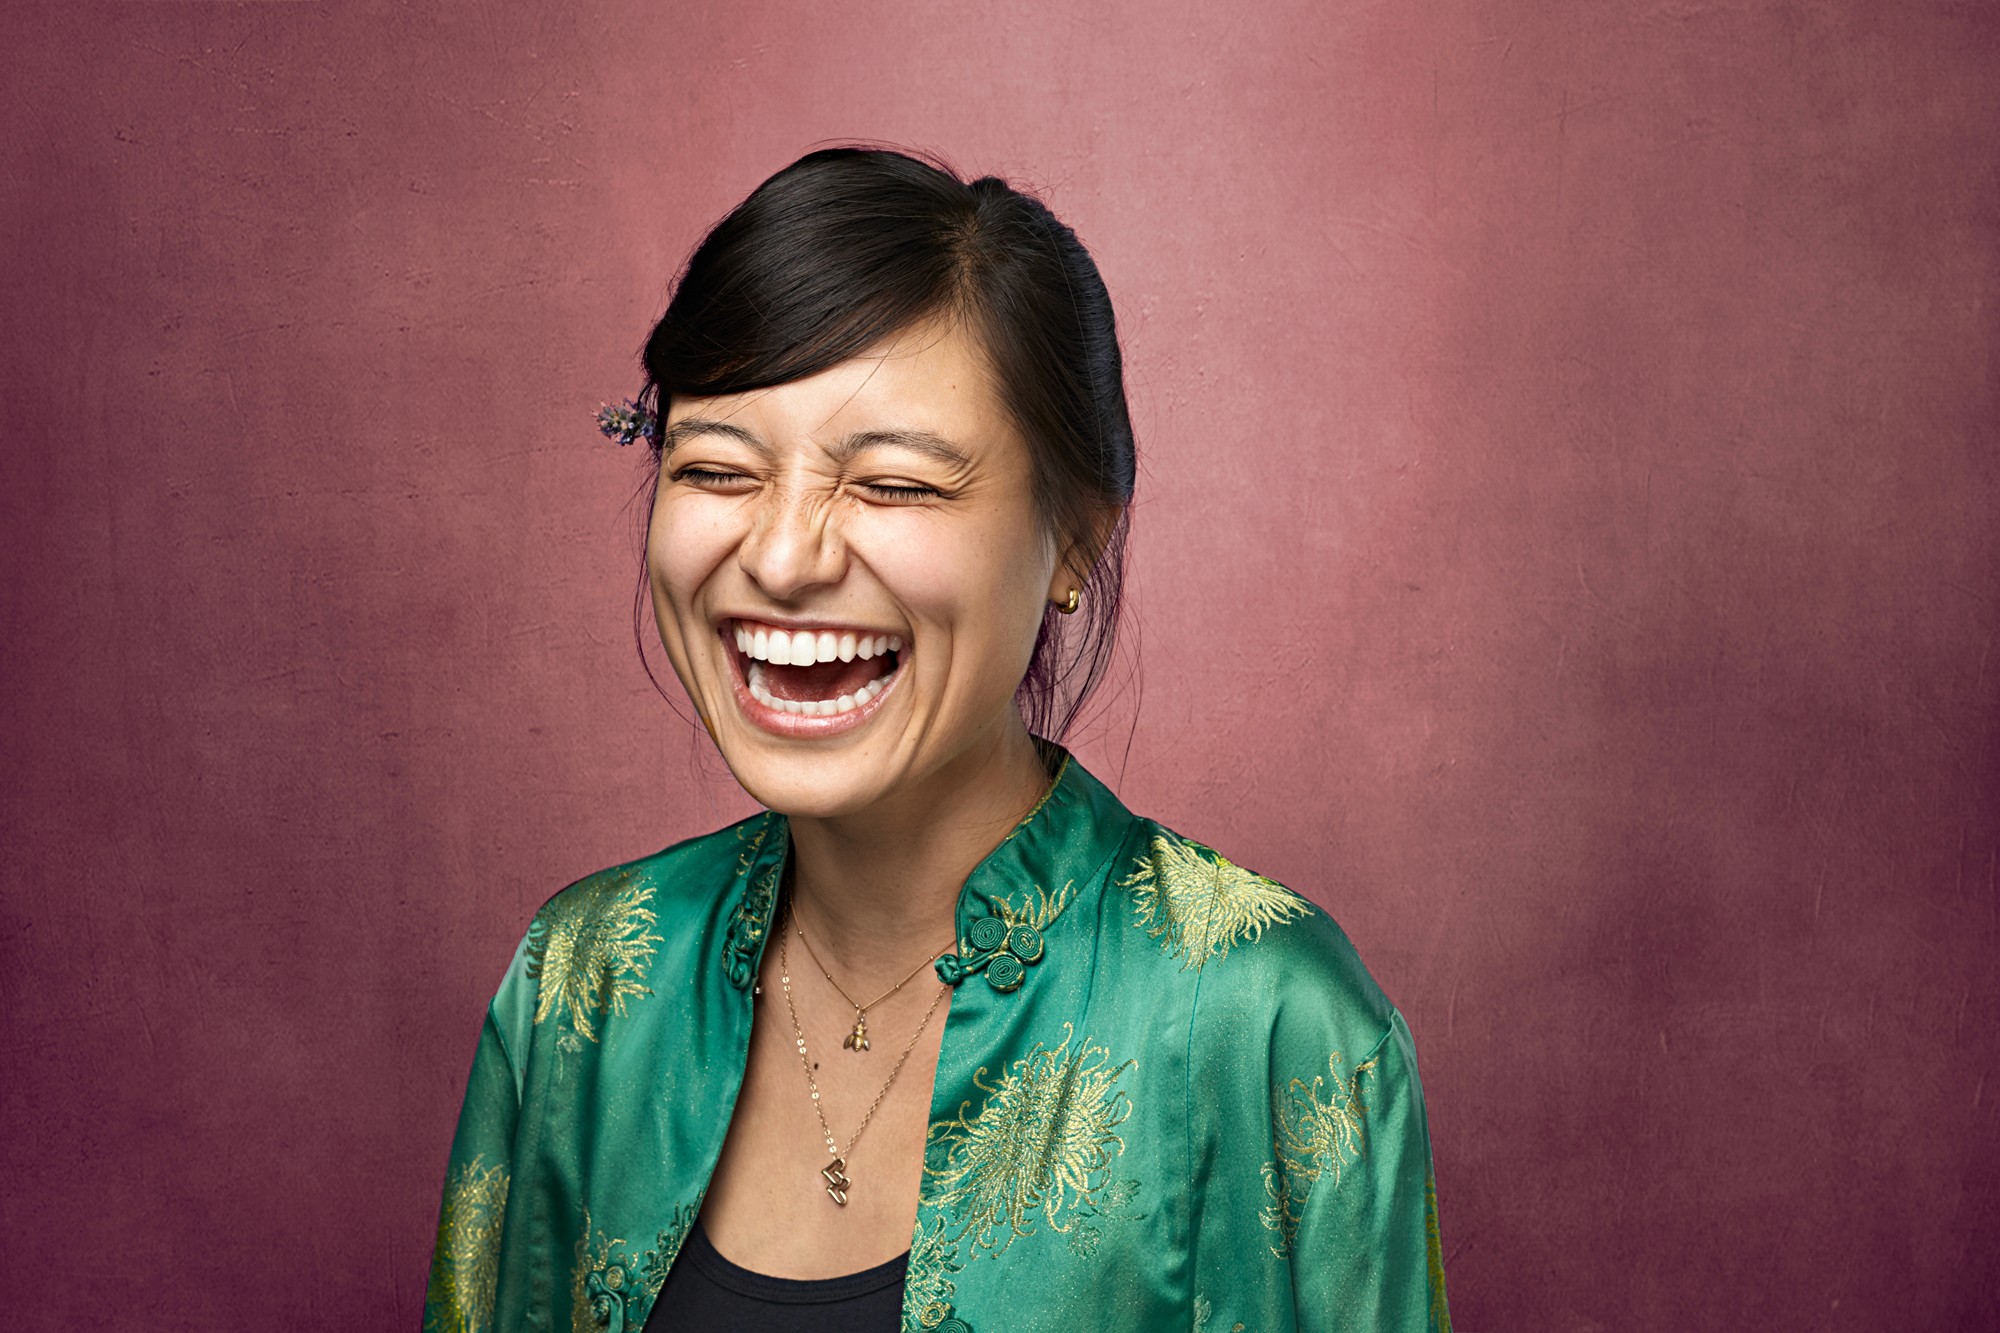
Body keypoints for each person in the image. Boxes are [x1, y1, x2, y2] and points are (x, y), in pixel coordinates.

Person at [423, 146, 1451, 1333]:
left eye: (893, 486)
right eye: (714, 467)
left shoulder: (1271, 1025)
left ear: (1073, 537)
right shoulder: (583, 981)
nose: (780, 558)